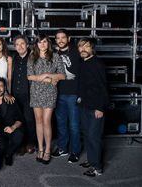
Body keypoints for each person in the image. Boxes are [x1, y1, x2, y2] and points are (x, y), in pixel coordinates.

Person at [27, 34, 65, 164]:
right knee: (38, 121)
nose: (42, 44)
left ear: (48, 43)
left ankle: (48, 149)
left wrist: (48, 74)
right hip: (36, 92)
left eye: (44, 42)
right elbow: (29, 76)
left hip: (50, 93)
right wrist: (47, 78)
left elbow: (62, 76)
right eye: (39, 42)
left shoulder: (55, 56)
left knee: (46, 121)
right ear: (36, 44)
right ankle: (41, 148)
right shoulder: (32, 57)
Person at [77, 38, 109, 177]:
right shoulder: (82, 63)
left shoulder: (97, 64)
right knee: (87, 135)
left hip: (96, 108)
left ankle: (97, 168)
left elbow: (103, 87)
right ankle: (91, 160)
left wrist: (100, 108)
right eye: (80, 46)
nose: (83, 49)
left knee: (94, 137)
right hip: (84, 106)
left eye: (86, 47)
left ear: (92, 49)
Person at [52, 29, 81, 163]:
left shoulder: (76, 52)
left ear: (68, 38)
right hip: (58, 94)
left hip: (73, 93)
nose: (61, 40)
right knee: (61, 123)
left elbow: (83, 73)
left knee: (74, 125)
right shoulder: (53, 53)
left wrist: (81, 93)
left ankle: (75, 151)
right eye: (58, 38)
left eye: (63, 37)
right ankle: (63, 148)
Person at [0, 77, 24, 166]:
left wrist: (13, 127)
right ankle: (2, 152)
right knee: (0, 146)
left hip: (10, 127)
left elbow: (20, 119)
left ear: (5, 88)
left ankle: (9, 153)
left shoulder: (11, 100)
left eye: (1, 86)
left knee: (19, 135)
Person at [11, 35, 36, 155]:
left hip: (29, 93)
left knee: (29, 119)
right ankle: (21, 144)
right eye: (17, 44)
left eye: (22, 44)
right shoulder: (14, 58)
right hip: (15, 94)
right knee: (18, 119)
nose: (20, 46)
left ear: (27, 45)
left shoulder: (33, 57)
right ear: (15, 47)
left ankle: (30, 142)